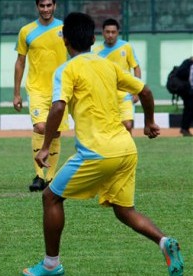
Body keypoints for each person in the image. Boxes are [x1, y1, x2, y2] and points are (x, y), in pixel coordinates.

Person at [22, 12, 184, 276]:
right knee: (124, 210)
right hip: (126, 149)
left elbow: (58, 106)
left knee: (51, 197)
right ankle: (164, 241)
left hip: (97, 152)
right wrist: (149, 122)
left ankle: (51, 265)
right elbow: (145, 91)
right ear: (94, 39)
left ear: (64, 41)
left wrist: (44, 147)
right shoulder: (107, 64)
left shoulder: (66, 70)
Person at [13, 0, 68, 192]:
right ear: (37, 7)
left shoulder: (64, 28)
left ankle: (51, 178)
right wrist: (17, 93)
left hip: (61, 88)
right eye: (42, 6)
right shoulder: (26, 31)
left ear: (55, 5)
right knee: (40, 127)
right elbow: (20, 62)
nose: (45, 9)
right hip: (36, 89)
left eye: (49, 5)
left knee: (57, 132)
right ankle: (38, 176)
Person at [93, 18, 141, 133]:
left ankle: (127, 151)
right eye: (107, 32)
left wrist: (136, 91)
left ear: (118, 32)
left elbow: (136, 67)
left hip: (125, 95)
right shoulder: (96, 51)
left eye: (113, 32)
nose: (110, 35)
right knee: (108, 129)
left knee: (128, 125)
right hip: (105, 96)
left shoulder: (126, 47)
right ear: (103, 32)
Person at [176, 56, 193, 136]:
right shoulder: (187, 63)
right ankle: (184, 129)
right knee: (188, 110)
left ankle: (185, 128)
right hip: (188, 91)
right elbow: (179, 73)